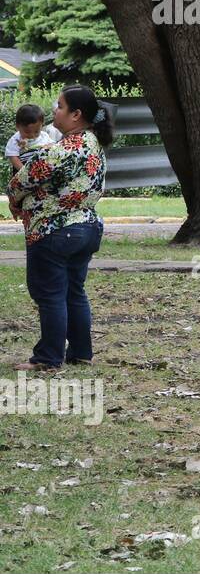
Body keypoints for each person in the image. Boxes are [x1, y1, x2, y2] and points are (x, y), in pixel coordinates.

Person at [7, 86, 109, 371]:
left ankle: (48, 358)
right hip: (86, 228)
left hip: (55, 230)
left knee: (49, 293)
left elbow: (23, 179)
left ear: (76, 115)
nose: (54, 109)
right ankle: (80, 353)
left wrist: (14, 200)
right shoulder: (93, 143)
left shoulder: (63, 149)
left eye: (60, 106)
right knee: (73, 292)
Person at [6, 103, 62, 173]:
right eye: (27, 132)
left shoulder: (44, 136)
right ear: (18, 127)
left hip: (41, 169)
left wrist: (47, 147)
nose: (32, 135)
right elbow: (13, 157)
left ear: (42, 125)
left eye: (36, 132)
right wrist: (24, 172)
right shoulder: (15, 140)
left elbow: (53, 147)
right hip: (23, 170)